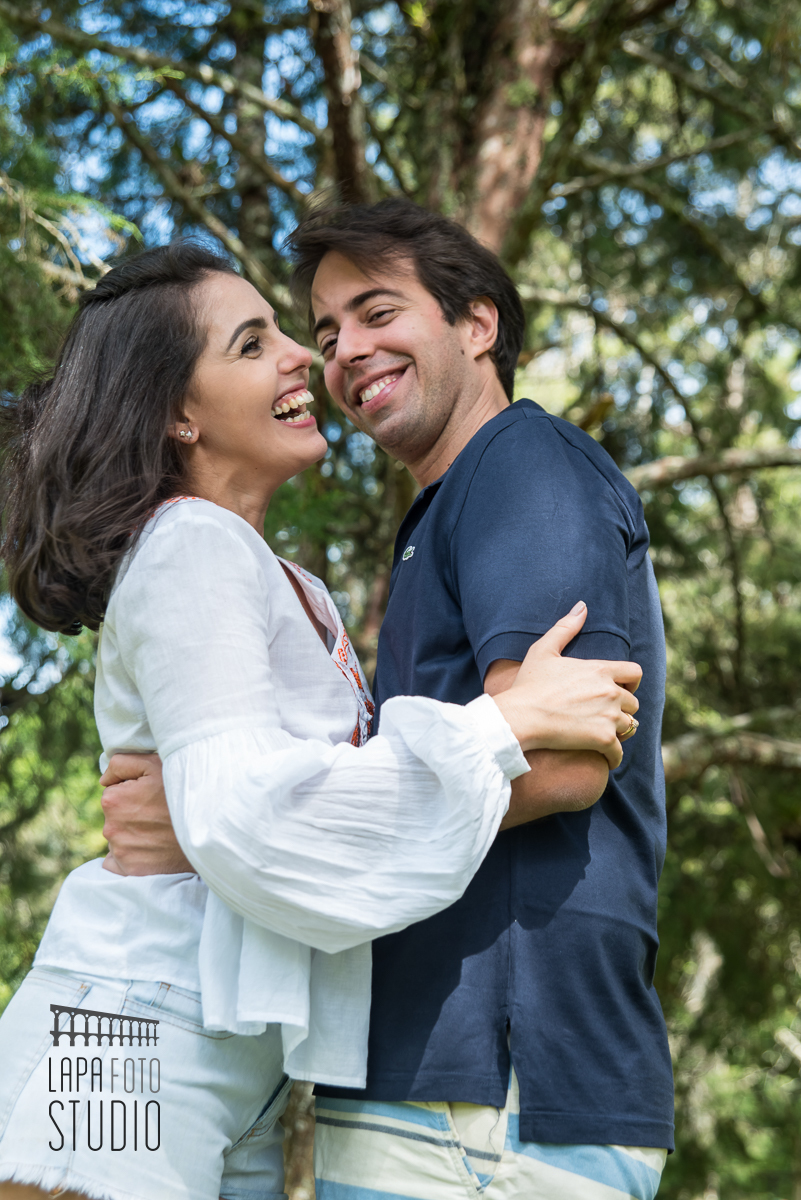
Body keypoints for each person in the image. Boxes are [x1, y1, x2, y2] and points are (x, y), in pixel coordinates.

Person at [0, 241, 641, 1200]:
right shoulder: (189, 544)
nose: (307, 354)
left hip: (238, 1062)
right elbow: (247, 818)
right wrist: (501, 728)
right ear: (177, 413)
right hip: (128, 1024)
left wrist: (201, 817)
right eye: (253, 344)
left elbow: (243, 807)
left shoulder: (288, 582)